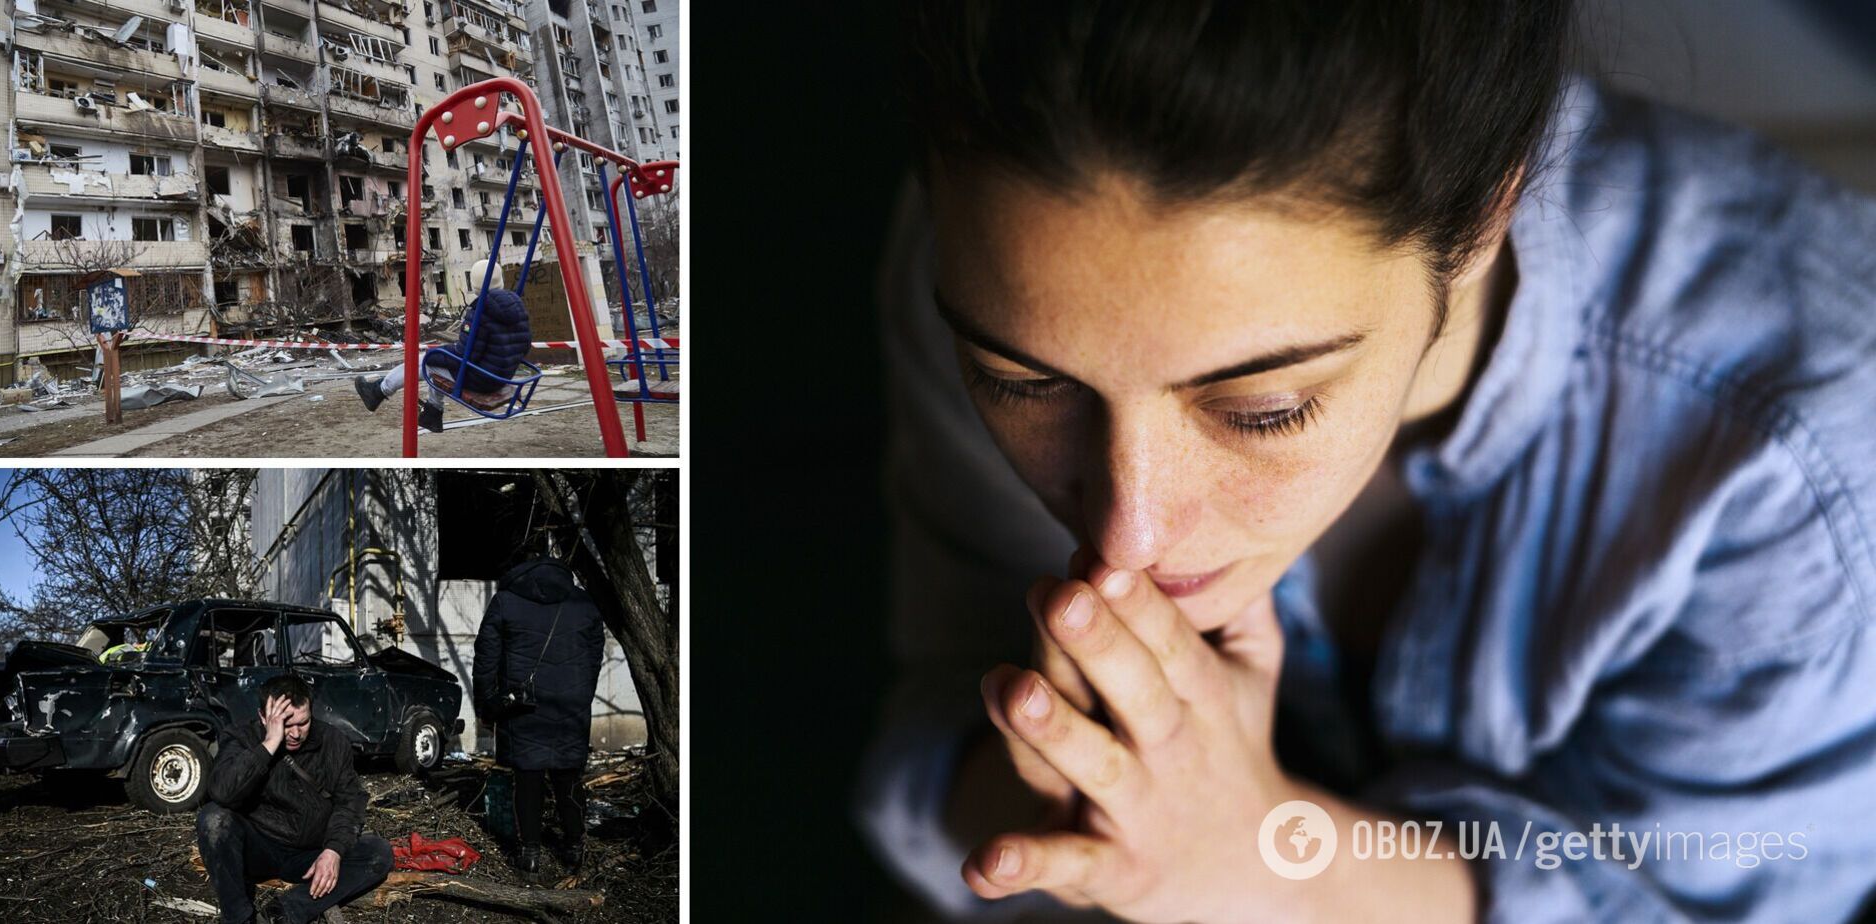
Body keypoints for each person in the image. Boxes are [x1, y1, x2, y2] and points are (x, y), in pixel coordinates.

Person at [857, 2, 1876, 923]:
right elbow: (939, 720)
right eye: (1024, 387)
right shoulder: (998, 265)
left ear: (1482, 220)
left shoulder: (1797, 453)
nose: (1130, 532)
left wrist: (1276, 861)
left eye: (1264, 409)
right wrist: (1085, 794)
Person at [197, 675, 394, 924]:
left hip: (310, 854)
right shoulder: (241, 736)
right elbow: (222, 792)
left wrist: (333, 850)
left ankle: (283, 912)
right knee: (214, 819)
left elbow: (349, 801)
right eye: (285, 725)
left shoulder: (333, 741)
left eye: (303, 723)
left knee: (379, 852)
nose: (295, 733)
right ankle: (239, 918)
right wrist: (269, 743)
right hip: (258, 850)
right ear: (262, 717)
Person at [473, 555, 606, 882]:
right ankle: (575, 848)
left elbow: (485, 657)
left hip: (523, 707)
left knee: (528, 779)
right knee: (569, 777)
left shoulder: (506, 600)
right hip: (570, 705)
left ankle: (530, 854)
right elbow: (594, 654)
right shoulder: (583, 603)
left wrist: (488, 705)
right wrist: (582, 693)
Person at [354, 262, 533, 432]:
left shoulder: (480, 312)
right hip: (503, 376)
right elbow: (524, 345)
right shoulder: (517, 307)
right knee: (437, 361)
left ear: (474, 285)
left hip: (482, 380)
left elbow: (465, 355)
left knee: (426, 362)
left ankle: (379, 391)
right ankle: (432, 411)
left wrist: (436, 353)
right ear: (500, 280)